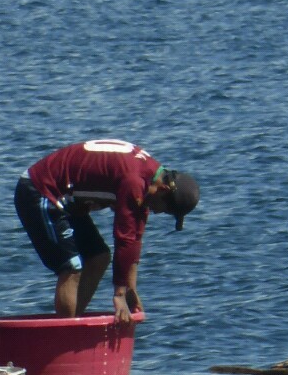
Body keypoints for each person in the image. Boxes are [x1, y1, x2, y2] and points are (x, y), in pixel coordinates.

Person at [15, 138, 199, 322]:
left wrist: (130, 290)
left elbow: (135, 239)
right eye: (164, 209)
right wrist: (118, 295)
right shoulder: (134, 181)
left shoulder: (149, 178)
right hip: (40, 189)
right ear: (163, 189)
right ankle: (64, 339)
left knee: (99, 258)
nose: (158, 212)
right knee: (71, 266)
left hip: (67, 199)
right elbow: (124, 238)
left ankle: (73, 325)